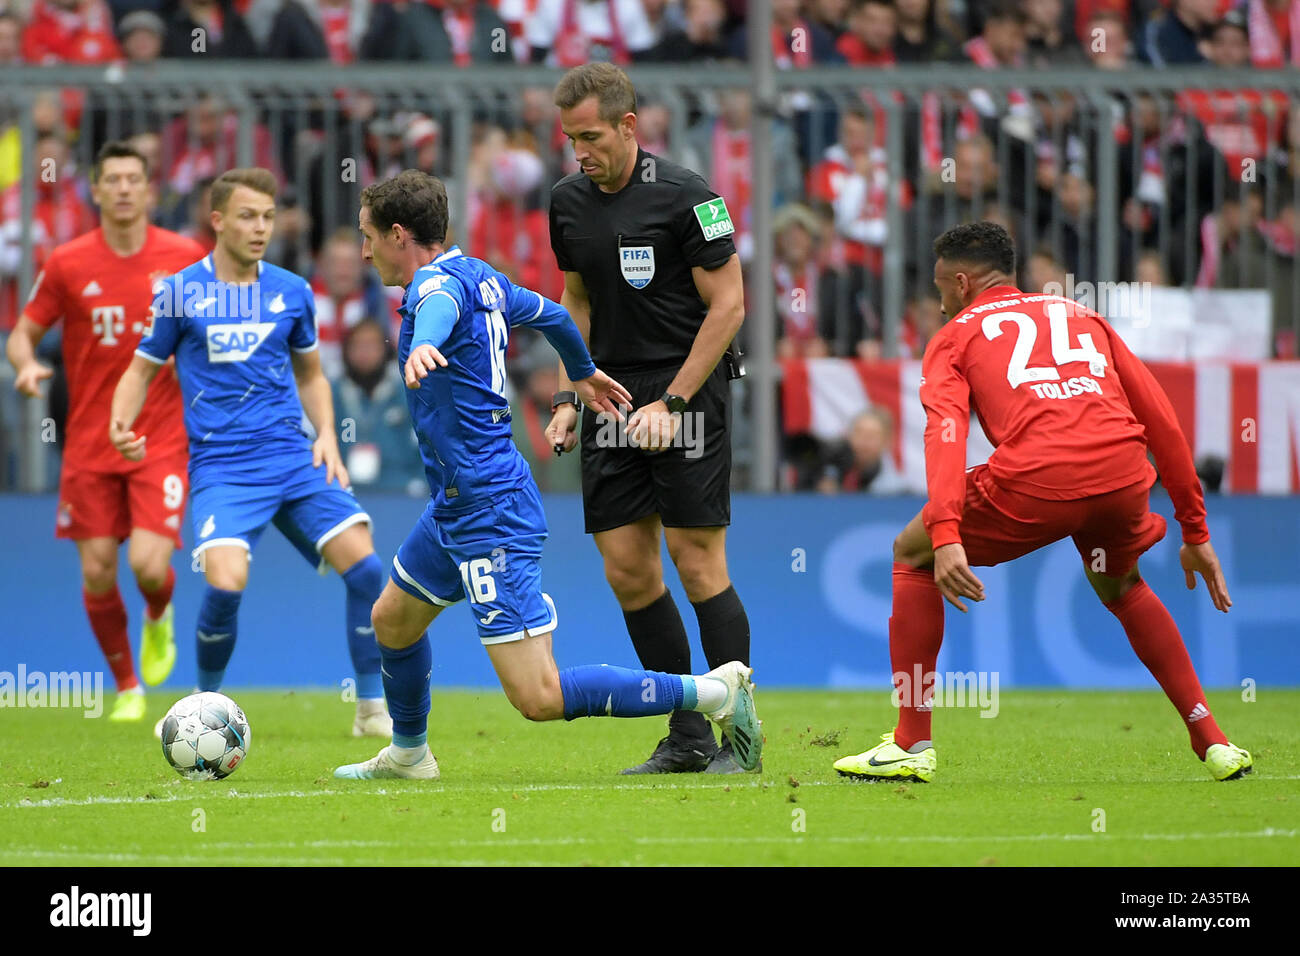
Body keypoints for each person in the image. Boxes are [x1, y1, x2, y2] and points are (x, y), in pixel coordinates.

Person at [333, 169, 761, 780]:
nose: (364, 249)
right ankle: (409, 755)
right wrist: (582, 374)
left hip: (489, 511)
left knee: (538, 697)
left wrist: (426, 345)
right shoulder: (482, 276)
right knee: (391, 620)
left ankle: (715, 694)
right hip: (456, 505)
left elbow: (435, 311)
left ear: (399, 234)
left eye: (368, 236)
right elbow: (557, 314)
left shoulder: (435, 292)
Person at [833, 221, 1252, 784]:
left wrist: (946, 532)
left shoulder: (956, 335)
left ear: (961, 282)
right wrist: (1195, 533)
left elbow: (946, 434)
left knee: (912, 553)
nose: (937, 302)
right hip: (1122, 474)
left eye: (939, 288)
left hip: (1039, 477)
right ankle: (1213, 739)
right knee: (1121, 582)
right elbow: (1162, 422)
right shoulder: (1083, 316)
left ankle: (911, 741)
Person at [108, 167, 392, 738]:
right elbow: (141, 370)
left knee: (367, 571)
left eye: (266, 216)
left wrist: (327, 437)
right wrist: (120, 421)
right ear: (217, 221)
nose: (260, 227)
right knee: (225, 584)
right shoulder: (180, 293)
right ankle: (201, 707)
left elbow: (311, 375)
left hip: (294, 458)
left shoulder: (291, 291)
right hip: (224, 468)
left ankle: (370, 709)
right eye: (246, 216)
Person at [545, 63, 752, 774]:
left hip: (683, 386)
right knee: (629, 570)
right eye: (572, 139)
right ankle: (688, 735)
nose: (581, 152)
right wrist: (570, 397)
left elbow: (729, 308)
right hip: (608, 392)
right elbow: (576, 301)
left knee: (697, 561)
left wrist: (675, 402)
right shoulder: (566, 202)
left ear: (630, 127)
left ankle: (741, 740)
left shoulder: (690, 197)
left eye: (593, 136)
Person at [6, 140, 204, 722]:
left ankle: (158, 614)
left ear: (149, 190)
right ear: (94, 190)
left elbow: (211, 332)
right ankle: (126, 687)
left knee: (147, 564)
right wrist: (24, 363)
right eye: (111, 179)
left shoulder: (186, 257)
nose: (122, 188)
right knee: (96, 569)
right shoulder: (68, 262)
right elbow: (23, 330)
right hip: (90, 438)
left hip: (160, 434)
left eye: (132, 178)